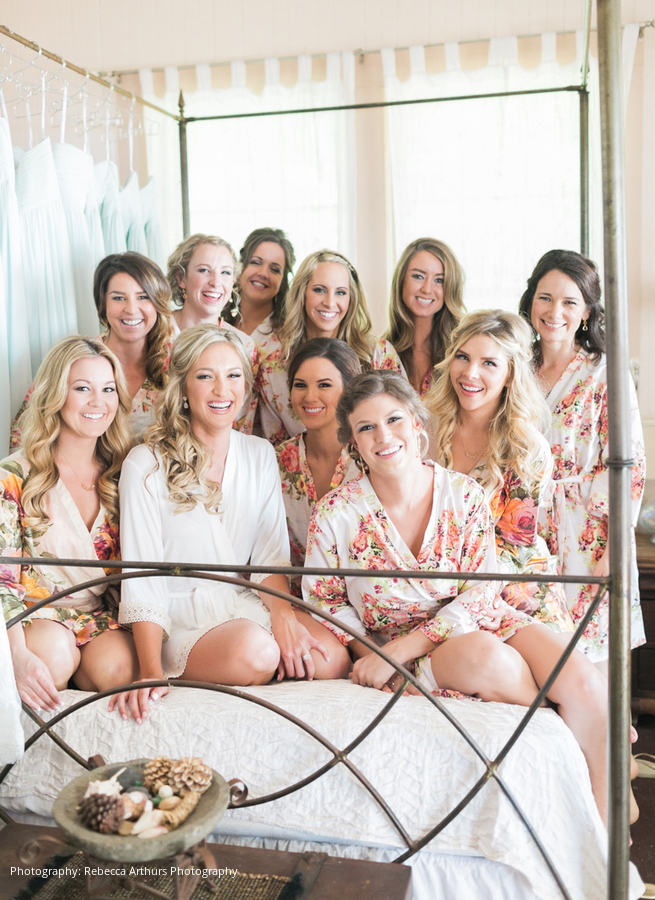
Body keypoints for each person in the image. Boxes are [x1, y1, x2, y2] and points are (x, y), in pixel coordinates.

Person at [303, 370, 613, 824]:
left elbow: (483, 588)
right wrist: (377, 656)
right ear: (354, 442)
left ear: (417, 424)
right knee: (489, 659)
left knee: (587, 684)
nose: (383, 436)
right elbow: (326, 601)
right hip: (408, 647)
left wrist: (401, 650)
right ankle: (563, 729)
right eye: (366, 427)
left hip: (478, 618)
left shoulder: (464, 495)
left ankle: (604, 833)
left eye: (394, 420)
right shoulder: (335, 514)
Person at [111, 325, 349, 725]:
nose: (222, 390)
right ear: (183, 387)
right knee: (257, 652)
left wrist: (284, 619)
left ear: (246, 385)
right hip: (179, 619)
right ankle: (225, 663)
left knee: (334, 658)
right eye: (206, 376)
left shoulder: (259, 454)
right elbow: (142, 577)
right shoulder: (145, 463)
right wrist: (149, 669)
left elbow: (271, 558)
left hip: (244, 606)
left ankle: (255, 659)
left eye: (233, 375)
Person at [518, 249, 646, 665]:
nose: (554, 312)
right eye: (545, 298)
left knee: (595, 662)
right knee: (540, 660)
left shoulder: (605, 371)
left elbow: (629, 464)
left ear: (587, 311)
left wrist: (615, 547)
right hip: (526, 531)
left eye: (569, 302)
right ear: (530, 301)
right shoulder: (515, 368)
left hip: (588, 534)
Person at [1, 336, 137, 712]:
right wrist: (16, 656)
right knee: (54, 660)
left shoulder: (124, 473)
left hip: (97, 615)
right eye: (82, 388)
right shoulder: (13, 475)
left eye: (108, 389)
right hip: (33, 615)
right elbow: (2, 580)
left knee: (121, 670)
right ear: (55, 394)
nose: (98, 402)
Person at [426, 309, 573, 631]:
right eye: (463, 357)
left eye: (489, 363)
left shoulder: (527, 448)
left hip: (512, 582)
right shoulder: (421, 428)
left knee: (565, 661)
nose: (470, 373)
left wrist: (476, 597)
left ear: (510, 374)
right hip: (435, 585)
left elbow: (515, 544)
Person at [10, 252, 173, 448]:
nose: (131, 309)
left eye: (143, 297)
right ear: (103, 304)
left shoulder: (178, 364)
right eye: (119, 298)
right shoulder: (74, 359)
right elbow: (21, 437)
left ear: (158, 302)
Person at [258, 249, 404, 445]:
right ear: (302, 293)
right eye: (319, 290)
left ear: (351, 298)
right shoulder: (273, 367)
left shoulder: (378, 354)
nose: (329, 302)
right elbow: (276, 446)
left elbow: (404, 425)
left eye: (340, 292)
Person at [276, 338, 361, 591]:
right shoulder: (275, 462)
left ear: (348, 390)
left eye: (324, 385)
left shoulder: (371, 459)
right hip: (293, 599)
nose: (310, 397)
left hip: (365, 599)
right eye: (300, 385)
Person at [167, 233, 259, 432]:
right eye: (204, 270)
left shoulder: (244, 345)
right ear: (181, 278)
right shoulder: (153, 333)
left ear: (233, 281)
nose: (216, 282)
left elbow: (240, 421)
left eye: (225, 272)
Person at [385, 238, 465, 396]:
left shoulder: (461, 350)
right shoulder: (380, 353)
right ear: (401, 280)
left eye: (439, 280)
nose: (427, 289)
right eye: (418, 276)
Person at [221, 227, 296, 343]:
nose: (263, 273)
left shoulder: (290, 337)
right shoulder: (216, 322)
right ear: (240, 266)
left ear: (283, 281)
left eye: (275, 269)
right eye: (256, 262)